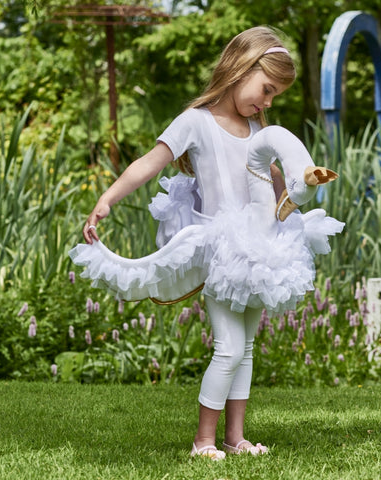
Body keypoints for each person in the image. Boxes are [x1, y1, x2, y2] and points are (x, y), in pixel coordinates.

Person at [72, 26, 343, 460]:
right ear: (242, 67)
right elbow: (149, 162)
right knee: (230, 346)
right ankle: (203, 441)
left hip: (260, 249)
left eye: (275, 96)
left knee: (248, 348)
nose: (268, 102)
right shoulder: (195, 122)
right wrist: (107, 198)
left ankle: (235, 438)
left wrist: (293, 194)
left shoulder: (257, 128)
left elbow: (273, 180)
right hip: (224, 252)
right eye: (267, 89)